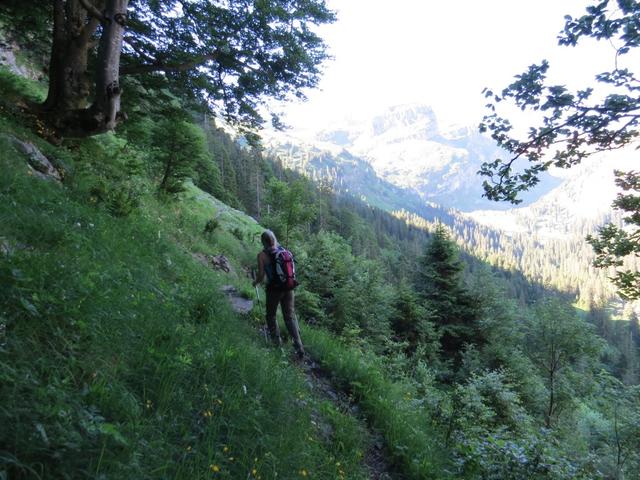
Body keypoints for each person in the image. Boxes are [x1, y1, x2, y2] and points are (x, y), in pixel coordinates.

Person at [252, 230, 305, 359]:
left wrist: (255, 282)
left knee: (271, 315)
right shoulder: (283, 251)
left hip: (274, 290)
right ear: (274, 239)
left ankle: (277, 345)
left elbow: (261, 275)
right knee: (289, 317)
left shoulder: (262, 255)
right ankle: (299, 346)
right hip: (289, 288)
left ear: (263, 241)